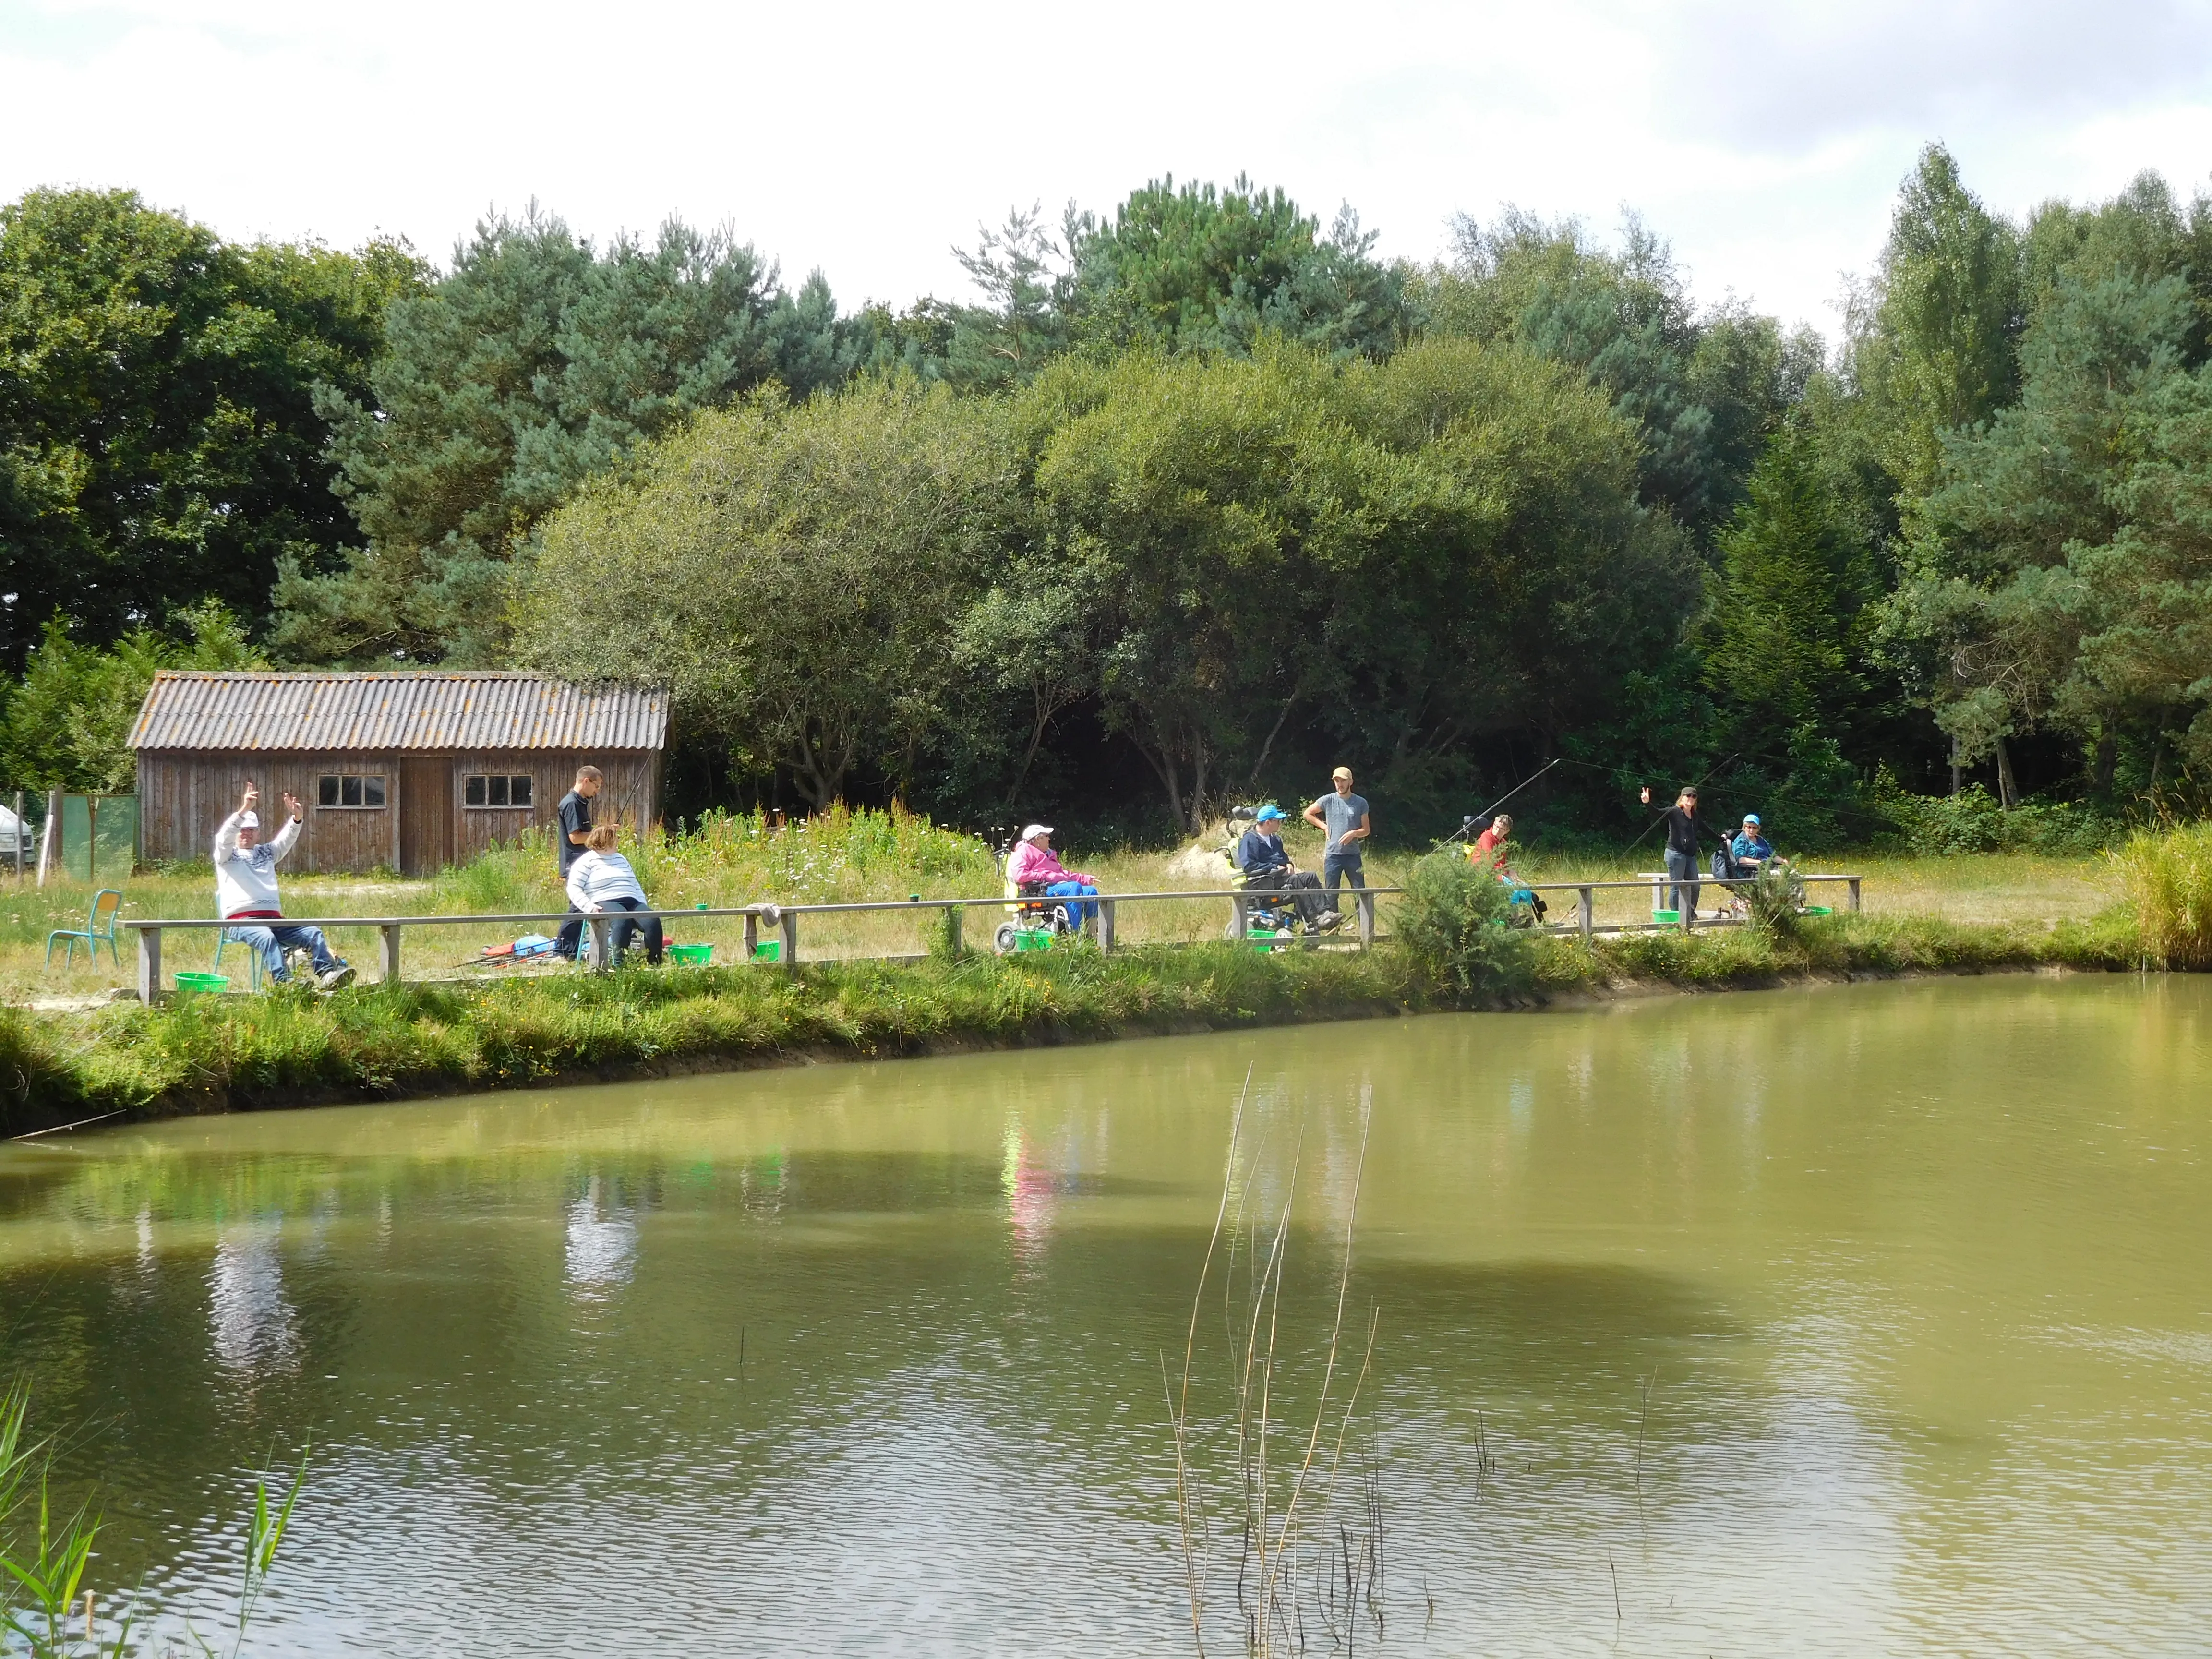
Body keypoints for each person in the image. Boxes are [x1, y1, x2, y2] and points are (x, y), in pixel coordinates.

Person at [214, 781, 355, 990]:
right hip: (242, 921)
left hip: (274, 919)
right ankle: (285, 984)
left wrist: (297, 819)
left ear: (259, 834)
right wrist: (244, 810)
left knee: (313, 933)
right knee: (267, 938)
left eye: (252, 830)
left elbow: (285, 841)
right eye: (243, 830)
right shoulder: (226, 856)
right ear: (236, 833)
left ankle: (327, 975)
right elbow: (222, 838)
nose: (247, 833)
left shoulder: (267, 853)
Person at [565, 824, 664, 965]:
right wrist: (589, 907)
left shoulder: (621, 859)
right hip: (605, 901)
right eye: (615, 838)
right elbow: (574, 887)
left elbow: (635, 883)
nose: (618, 841)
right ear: (606, 841)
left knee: (652, 921)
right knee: (621, 920)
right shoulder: (586, 861)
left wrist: (642, 903)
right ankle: (620, 968)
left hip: (632, 901)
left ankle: (654, 965)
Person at [1237, 805, 1336, 934]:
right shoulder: (1249, 840)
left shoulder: (1276, 840)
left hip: (1280, 877)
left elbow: (1284, 858)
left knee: (1310, 876)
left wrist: (1289, 864)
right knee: (1294, 880)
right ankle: (1313, 918)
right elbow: (1249, 866)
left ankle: (1325, 912)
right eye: (1278, 821)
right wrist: (1273, 867)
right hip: (1263, 882)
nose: (1280, 824)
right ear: (1268, 823)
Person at [1639, 783, 1724, 918]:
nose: (1691, 798)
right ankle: (1676, 916)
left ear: (1696, 800)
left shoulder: (1694, 815)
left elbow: (1705, 829)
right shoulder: (1674, 812)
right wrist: (1647, 803)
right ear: (1682, 798)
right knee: (1676, 886)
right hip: (1675, 854)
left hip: (1690, 856)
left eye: (1694, 796)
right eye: (1688, 796)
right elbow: (1657, 813)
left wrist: (1721, 840)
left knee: (1695, 886)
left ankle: (1689, 913)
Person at [1006, 824, 1098, 930]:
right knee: (1073, 888)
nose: (1049, 838)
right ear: (1038, 839)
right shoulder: (1024, 851)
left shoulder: (1049, 854)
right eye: (1046, 836)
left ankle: (1091, 937)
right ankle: (1075, 935)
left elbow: (1061, 874)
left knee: (1091, 892)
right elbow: (1020, 875)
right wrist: (1045, 875)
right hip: (1039, 889)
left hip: (1057, 886)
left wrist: (1084, 879)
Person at [1302, 767, 1370, 910]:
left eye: (1343, 781)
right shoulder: (1328, 800)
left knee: (1360, 893)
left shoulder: (1361, 803)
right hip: (1333, 855)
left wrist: (1354, 834)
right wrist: (1324, 827)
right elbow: (1307, 813)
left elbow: (1366, 830)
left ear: (1351, 782)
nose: (1340, 784)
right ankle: (1334, 929)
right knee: (1331, 895)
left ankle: (1366, 930)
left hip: (1353, 855)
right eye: (1337, 781)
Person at [554, 766, 602, 961]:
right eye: (596, 787)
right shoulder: (571, 804)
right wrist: (601, 834)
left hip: (583, 862)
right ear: (586, 781)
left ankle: (571, 951)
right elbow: (575, 838)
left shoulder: (581, 803)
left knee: (582, 907)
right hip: (574, 864)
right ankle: (561, 952)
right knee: (577, 906)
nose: (597, 792)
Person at [1468, 813, 1547, 921]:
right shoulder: (1487, 837)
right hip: (1485, 873)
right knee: (1513, 890)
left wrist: (1512, 872)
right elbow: (1489, 861)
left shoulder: (1504, 843)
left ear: (1507, 831)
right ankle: (1513, 921)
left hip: (1498, 872)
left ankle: (1529, 921)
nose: (1496, 829)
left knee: (1526, 889)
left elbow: (1502, 863)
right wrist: (1508, 873)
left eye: (1501, 829)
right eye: (1495, 826)